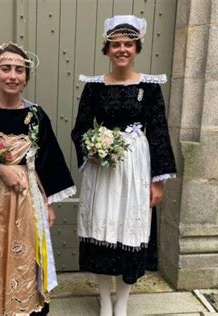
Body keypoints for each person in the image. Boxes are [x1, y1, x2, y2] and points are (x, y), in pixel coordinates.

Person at [0, 42, 76, 315]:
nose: (12, 75)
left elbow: (47, 161)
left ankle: (19, 306)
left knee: (23, 255)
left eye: (19, 70)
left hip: (24, 199)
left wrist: (48, 203)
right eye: (5, 69)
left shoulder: (35, 117)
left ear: (26, 77)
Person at [71, 15, 177, 316]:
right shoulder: (94, 87)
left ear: (136, 48)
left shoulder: (150, 87)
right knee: (103, 224)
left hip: (136, 168)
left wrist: (158, 181)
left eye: (128, 44)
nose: (122, 49)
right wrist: (91, 149)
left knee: (130, 226)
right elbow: (79, 128)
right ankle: (104, 298)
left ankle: (123, 300)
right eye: (115, 44)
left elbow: (158, 132)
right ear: (107, 49)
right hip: (103, 168)